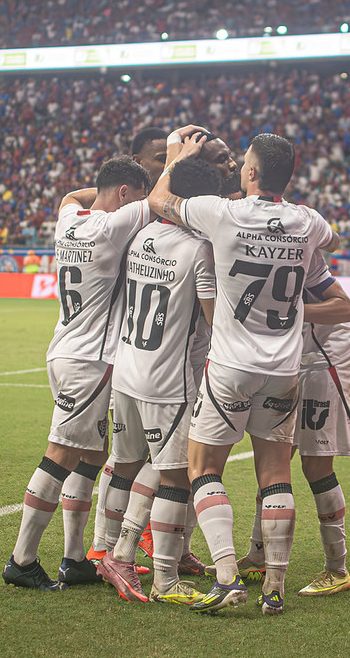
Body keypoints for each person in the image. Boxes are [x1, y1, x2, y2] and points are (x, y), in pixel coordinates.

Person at [148, 131, 340, 615]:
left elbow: (159, 200)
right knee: (275, 472)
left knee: (203, 468)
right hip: (284, 369)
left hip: (230, 366)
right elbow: (331, 239)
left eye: (243, 165)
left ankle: (229, 575)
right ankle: (274, 587)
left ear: (250, 173)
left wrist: (177, 158)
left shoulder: (221, 212)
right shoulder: (308, 221)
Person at [88, 128, 240, 565]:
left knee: (127, 462)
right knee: (179, 473)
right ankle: (154, 567)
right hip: (171, 377)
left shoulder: (141, 235)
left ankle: (106, 547)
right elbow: (215, 319)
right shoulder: (201, 249)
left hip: (128, 367)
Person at [2, 156, 151, 591]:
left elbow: (71, 195)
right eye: (133, 197)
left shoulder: (69, 221)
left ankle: (73, 559)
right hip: (90, 361)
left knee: (92, 454)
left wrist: (105, 190)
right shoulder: (110, 228)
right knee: (61, 453)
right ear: (124, 194)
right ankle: (22, 559)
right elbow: (160, 199)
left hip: (65, 348)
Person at [232, 266, 350, 599]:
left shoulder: (302, 256)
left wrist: (296, 311)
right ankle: (258, 554)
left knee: (315, 465)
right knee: (274, 459)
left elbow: (346, 309)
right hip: (291, 360)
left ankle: (337, 569)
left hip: (326, 358)